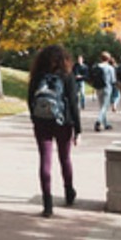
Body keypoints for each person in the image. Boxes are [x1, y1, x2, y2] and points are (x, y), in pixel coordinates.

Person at [27, 45, 81, 218]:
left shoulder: (37, 77)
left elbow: (30, 100)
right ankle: (69, 190)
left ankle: (47, 203)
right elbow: (73, 103)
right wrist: (78, 129)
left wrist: (34, 119)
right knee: (65, 158)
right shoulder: (67, 76)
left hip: (42, 122)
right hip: (63, 121)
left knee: (45, 160)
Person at [94, 51, 116, 132]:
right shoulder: (110, 68)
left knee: (101, 106)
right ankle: (98, 121)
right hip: (107, 88)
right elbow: (113, 80)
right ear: (108, 59)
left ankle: (106, 124)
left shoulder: (97, 67)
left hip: (98, 87)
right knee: (104, 106)